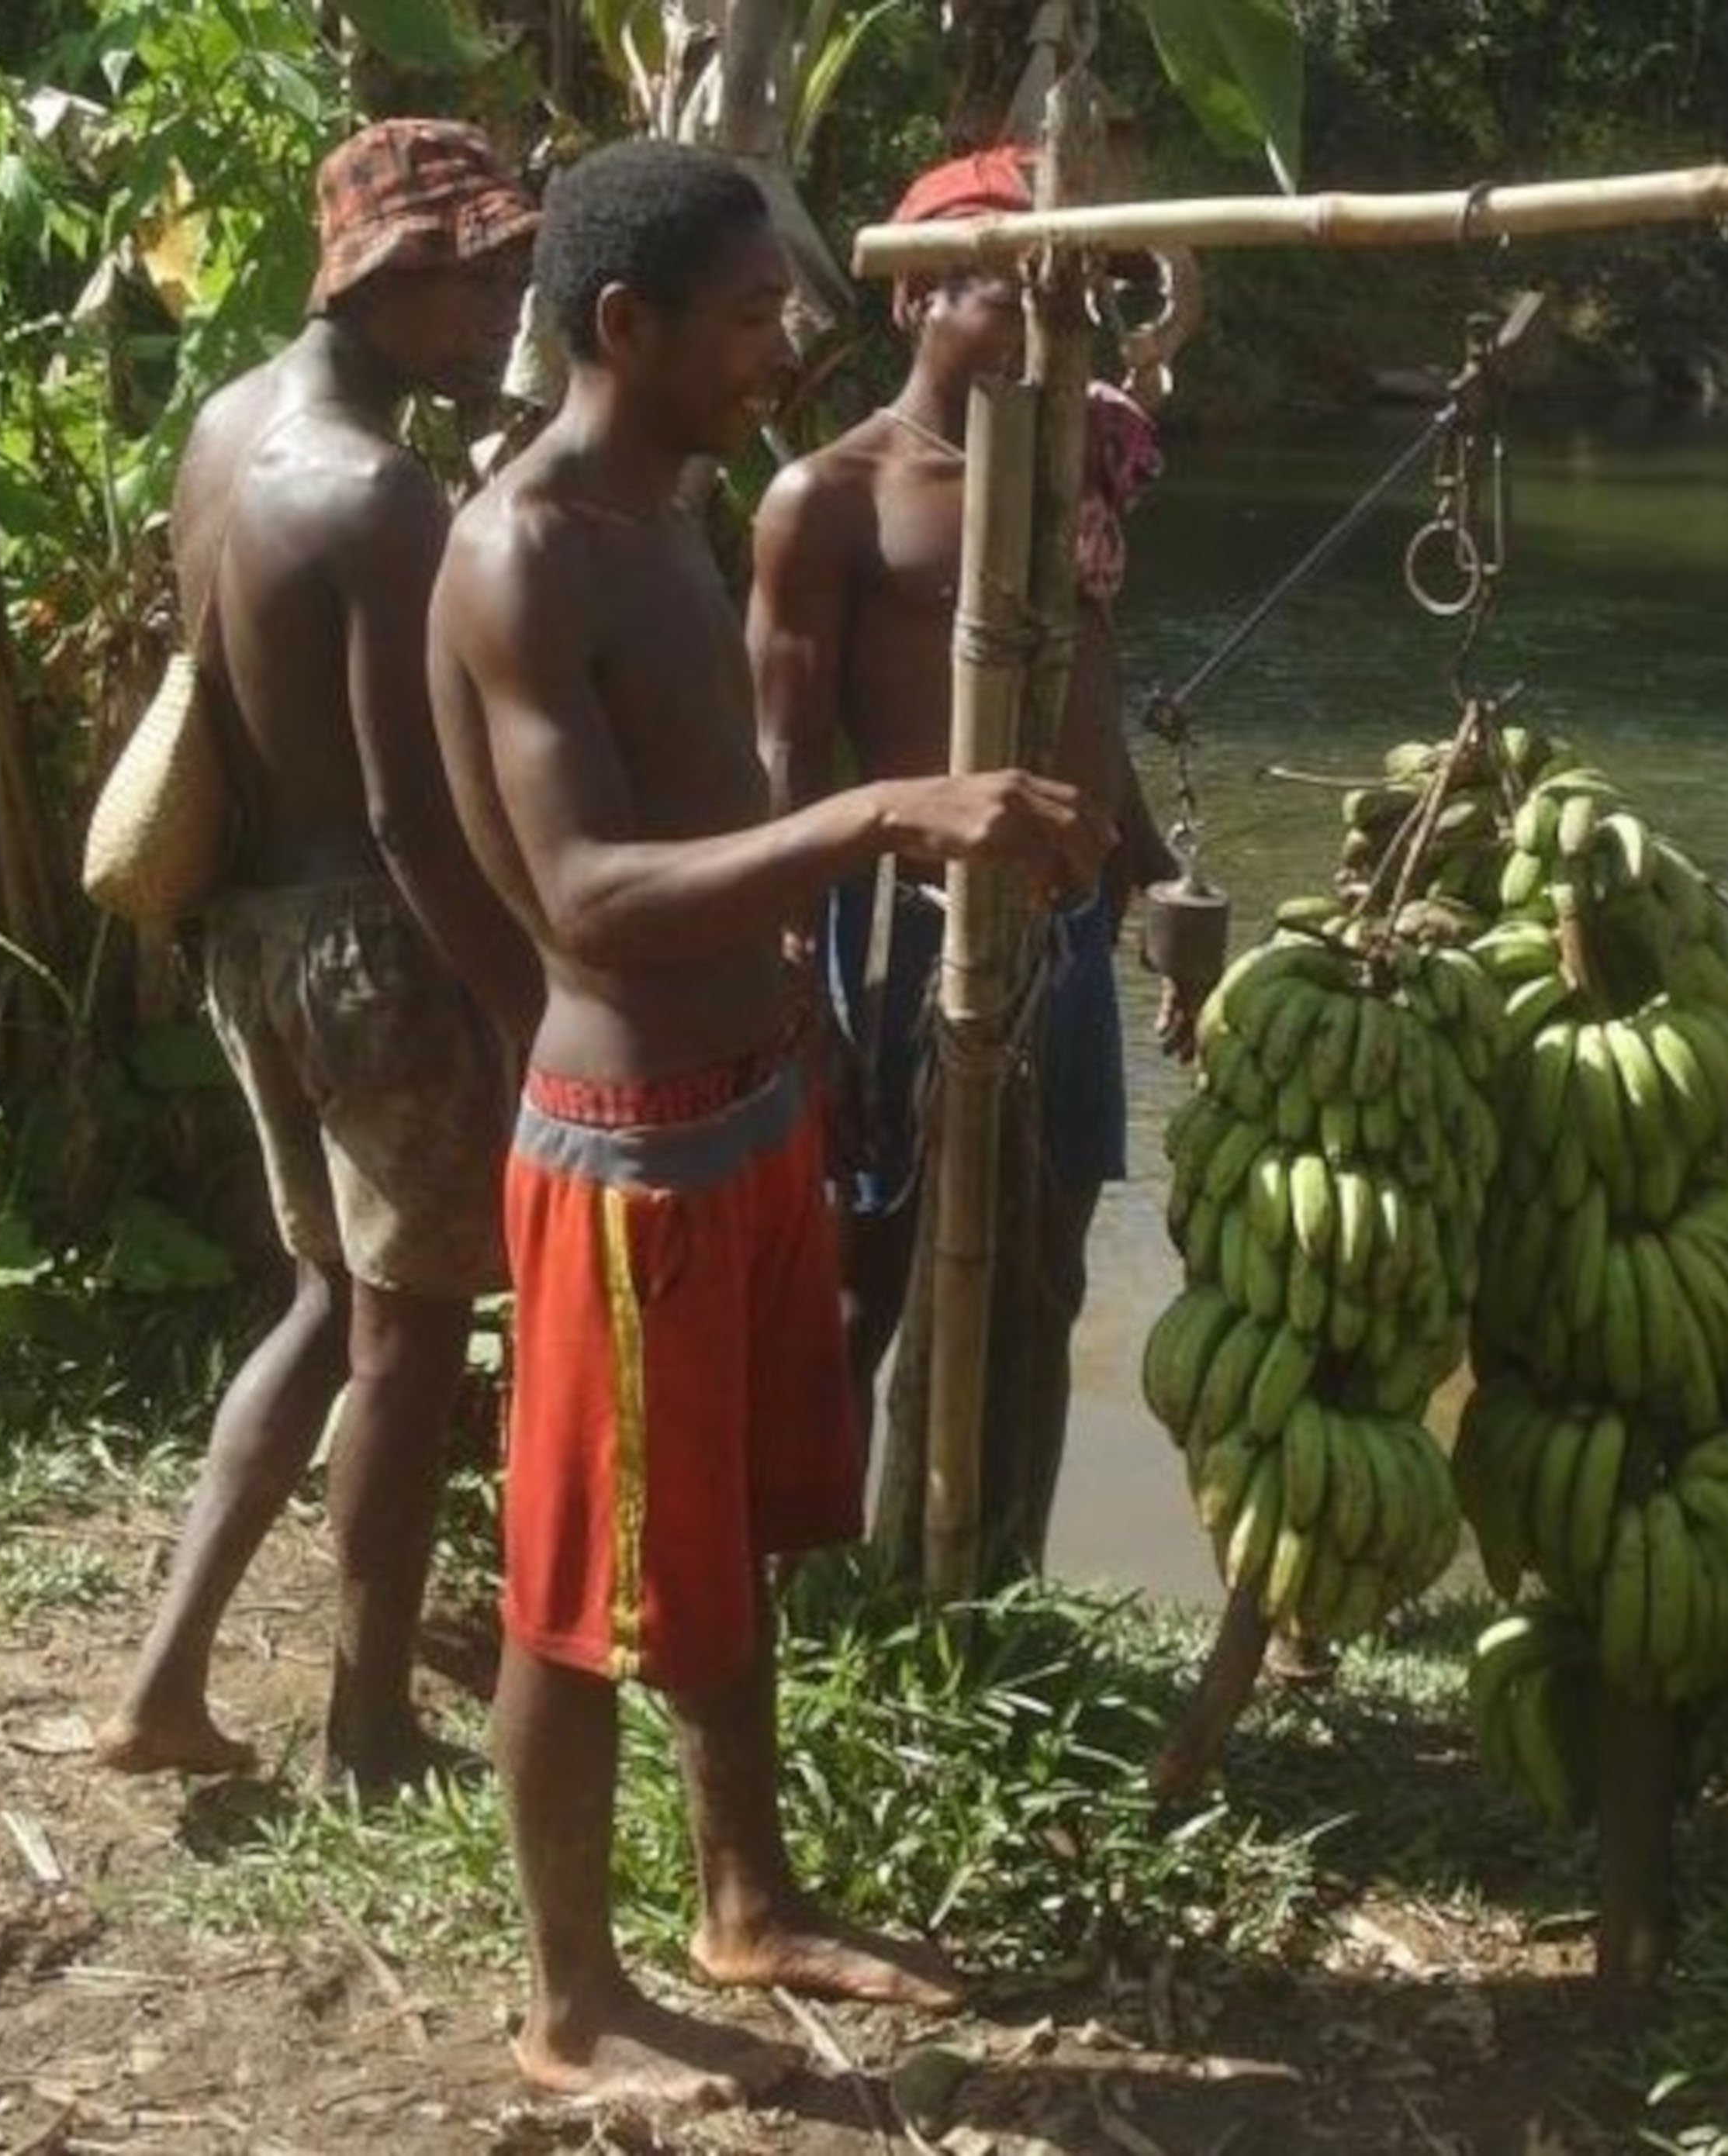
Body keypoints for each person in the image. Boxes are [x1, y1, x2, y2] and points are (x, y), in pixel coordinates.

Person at [425, 139, 1112, 2106]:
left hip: (747, 1106)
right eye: (748, 317)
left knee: (721, 1523)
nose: (784, 346)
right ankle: (570, 2007)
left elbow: (728, 791)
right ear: (623, 327)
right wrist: (885, 819)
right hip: (628, 1140)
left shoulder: (677, 504)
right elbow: (585, 896)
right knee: (574, 1593)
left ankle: (748, 1895)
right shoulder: (526, 547)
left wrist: (805, 1020)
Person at [98, 119, 544, 1798]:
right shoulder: (377, 491)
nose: (506, 309)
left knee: (329, 1301)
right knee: (409, 1340)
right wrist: (527, 1002)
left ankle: (165, 1676)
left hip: (250, 938)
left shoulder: (226, 430)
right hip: (372, 954)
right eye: (484, 274)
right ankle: (369, 1725)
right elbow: (414, 814)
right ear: (393, 272)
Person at [748, 147, 1179, 1564]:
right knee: (872, 1276)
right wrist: (800, 975)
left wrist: (1150, 871)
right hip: (900, 930)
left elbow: (1090, 697)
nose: (1060, 319)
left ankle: (997, 1576)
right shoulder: (835, 496)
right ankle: (825, 1583)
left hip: (1061, 933)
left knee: (1042, 1268)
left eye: (1081, 291)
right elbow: (790, 757)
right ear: (915, 301)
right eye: (1017, 285)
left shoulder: (1075, 473)